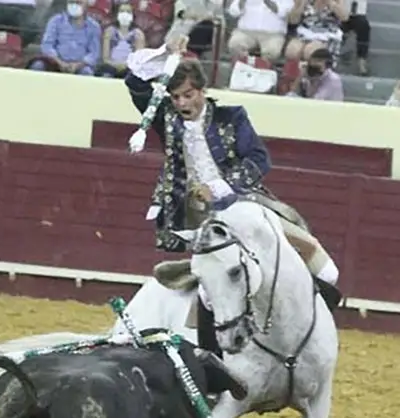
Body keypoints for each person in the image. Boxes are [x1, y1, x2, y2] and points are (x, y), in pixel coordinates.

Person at [123, 34, 342, 312]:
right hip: (198, 213)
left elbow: (259, 159)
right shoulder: (165, 116)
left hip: (244, 201)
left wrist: (218, 187)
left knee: (322, 265)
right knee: (213, 291)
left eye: (188, 95)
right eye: (175, 97)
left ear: (203, 91)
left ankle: (311, 317)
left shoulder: (232, 116)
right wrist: (166, 51)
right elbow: (135, 82)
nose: (181, 103)